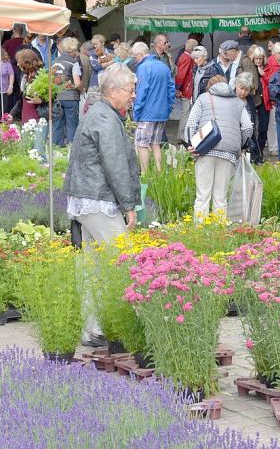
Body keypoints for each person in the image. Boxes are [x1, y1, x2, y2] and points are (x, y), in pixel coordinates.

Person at [63, 63, 141, 346]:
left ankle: (91, 328)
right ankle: (130, 326)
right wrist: (129, 205)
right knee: (124, 262)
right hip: (98, 200)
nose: (133, 95)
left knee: (92, 268)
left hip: (86, 200)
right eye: (131, 90)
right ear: (114, 91)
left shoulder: (98, 113)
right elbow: (116, 165)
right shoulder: (106, 119)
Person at [185, 74, 253, 218]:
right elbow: (247, 127)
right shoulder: (239, 102)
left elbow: (191, 123)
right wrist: (240, 144)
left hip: (205, 151)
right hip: (229, 153)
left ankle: (200, 232)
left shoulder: (203, 98)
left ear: (210, 87)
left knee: (202, 196)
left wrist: (192, 144)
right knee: (221, 198)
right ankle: (220, 233)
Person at [131, 41, 174, 172]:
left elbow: (141, 92)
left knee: (142, 143)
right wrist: (167, 109)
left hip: (146, 113)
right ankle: (158, 173)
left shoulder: (143, 68)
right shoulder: (164, 66)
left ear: (140, 54)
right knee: (156, 144)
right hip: (161, 113)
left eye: (135, 56)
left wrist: (136, 113)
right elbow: (171, 90)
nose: (135, 60)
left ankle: (144, 174)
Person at [52, 37, 81, 146]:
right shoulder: (74, 63)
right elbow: (77, 83)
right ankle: (71, 148)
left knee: (58, 124)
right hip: (71, 98)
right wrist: (81, 90)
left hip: (57, 97)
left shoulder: (54, 62)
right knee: (71, 124)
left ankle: (56, 148)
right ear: (72, 50)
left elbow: (51, 81)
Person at [247, 45, 272, 163]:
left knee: (263, 128)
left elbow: (272, 83)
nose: (258, 61)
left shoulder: (267, 68)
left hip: (264, 102)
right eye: (256, 58)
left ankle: (260, 151)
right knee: (251, 128)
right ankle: (253, 153)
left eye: (260, 58)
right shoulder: (250, 68)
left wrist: (263, 75)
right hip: (252, 101)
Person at [174, 39, 199, 145]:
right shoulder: (187, 58)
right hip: (187, 89)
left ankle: (183, 135)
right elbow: (181, 75)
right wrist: (178, 88)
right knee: (186, 113)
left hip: (185, 88)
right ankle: (182, 135)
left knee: (186, 112)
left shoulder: (184, 57)